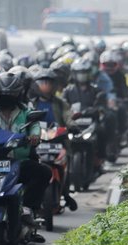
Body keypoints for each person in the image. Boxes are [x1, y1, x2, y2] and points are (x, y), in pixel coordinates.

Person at [0, 72, 51, 242]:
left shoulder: (26, 113)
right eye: (2, 95)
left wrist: (34, 136)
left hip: (18, 162)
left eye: (10, 95)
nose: (6, 98)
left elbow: (35, 127)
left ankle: (28, 209)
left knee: (43, 172)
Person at [30, 68, 78, 211]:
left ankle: (66, 194)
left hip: (57, 140)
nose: (45, 86)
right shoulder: (31, 104)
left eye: (48, 83)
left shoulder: (60, 103)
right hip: (38, 140)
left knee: (66, 166)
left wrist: (73, 126)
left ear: (54, 85)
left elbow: (68, 117)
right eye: (42, 82)